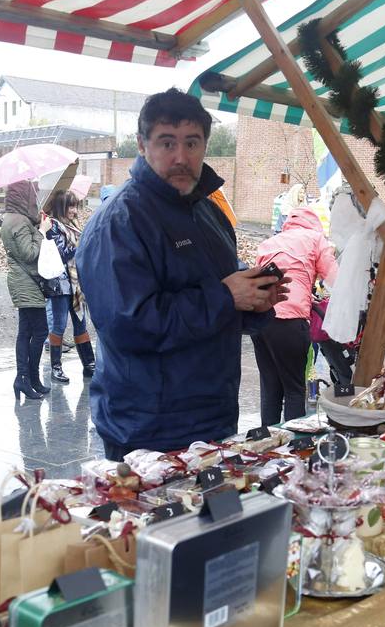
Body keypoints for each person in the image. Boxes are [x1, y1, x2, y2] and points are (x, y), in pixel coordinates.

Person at [77, 88, 287, 458]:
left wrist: (254, 299)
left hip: (213, 416)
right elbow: (128, 325)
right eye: (166, 143)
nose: (181, 157)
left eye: (192, 143)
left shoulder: (210, 214)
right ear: (142, 145)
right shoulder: (120, 222)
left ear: (205, 145)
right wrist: (226, 297)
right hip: (148, 427)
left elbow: (220, 296)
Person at [252, 205, 337, 426]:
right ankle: (293, 449)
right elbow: (334, 278)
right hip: (290, 320)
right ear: (314, 223)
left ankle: (266, 446)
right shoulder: (316, 238)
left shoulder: (270, 243)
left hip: (260, 320)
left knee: (270, 388)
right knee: (294, 389)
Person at [0, 180, 50, 400]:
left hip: (23, 281)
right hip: (26, 283)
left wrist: (38, 222)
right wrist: (41, 232)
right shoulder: (18, 221)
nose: (35, 197)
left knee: (26, 332)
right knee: (40, 332)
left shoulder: (14, 218)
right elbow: (29, 253)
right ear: (23, 195)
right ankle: (26, 377)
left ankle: (28, 379)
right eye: (32, 193)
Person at [43, 189, 96, 383]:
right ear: (61, 207)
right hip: (60, 284)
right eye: (71, 206)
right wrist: (81, 244)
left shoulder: (73, 226)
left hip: (76, 284)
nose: (74, 210)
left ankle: (89, 365)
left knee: (81, 324)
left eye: (75, 206)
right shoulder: (53, 227)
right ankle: (55, 368)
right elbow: (62, 254)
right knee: (58, 325)